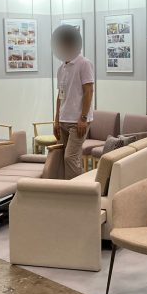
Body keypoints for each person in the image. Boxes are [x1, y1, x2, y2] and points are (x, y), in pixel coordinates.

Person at [53, 24, 94, 179]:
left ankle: (76, 190)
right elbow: (60, 95)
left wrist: (83, 118)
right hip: (63, 119)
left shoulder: (84, 63)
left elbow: (89, 91)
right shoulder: (61, 68)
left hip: (78, 121)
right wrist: (56, 120)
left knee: (70, 157)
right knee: (61, 157)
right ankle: (65, 189)